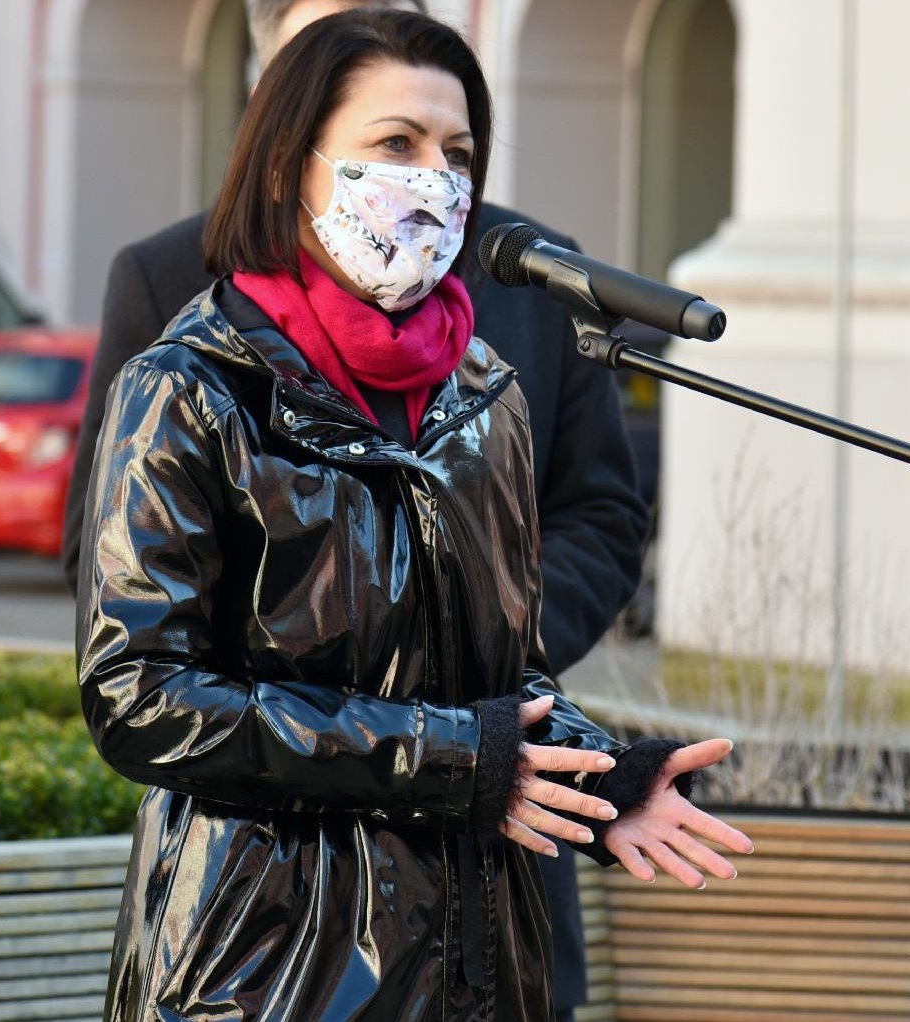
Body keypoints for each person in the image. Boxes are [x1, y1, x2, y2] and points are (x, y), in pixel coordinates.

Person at [75, 11, 751, 1021]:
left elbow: (487, 676)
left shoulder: (483, 396)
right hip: (267, 963)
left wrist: (599, 773)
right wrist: (456, 758)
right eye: (396, 144)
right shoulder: (189, 386)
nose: (435, 176)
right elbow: (140, 692)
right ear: (288, 166)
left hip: (477, 957)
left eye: (458, 151)